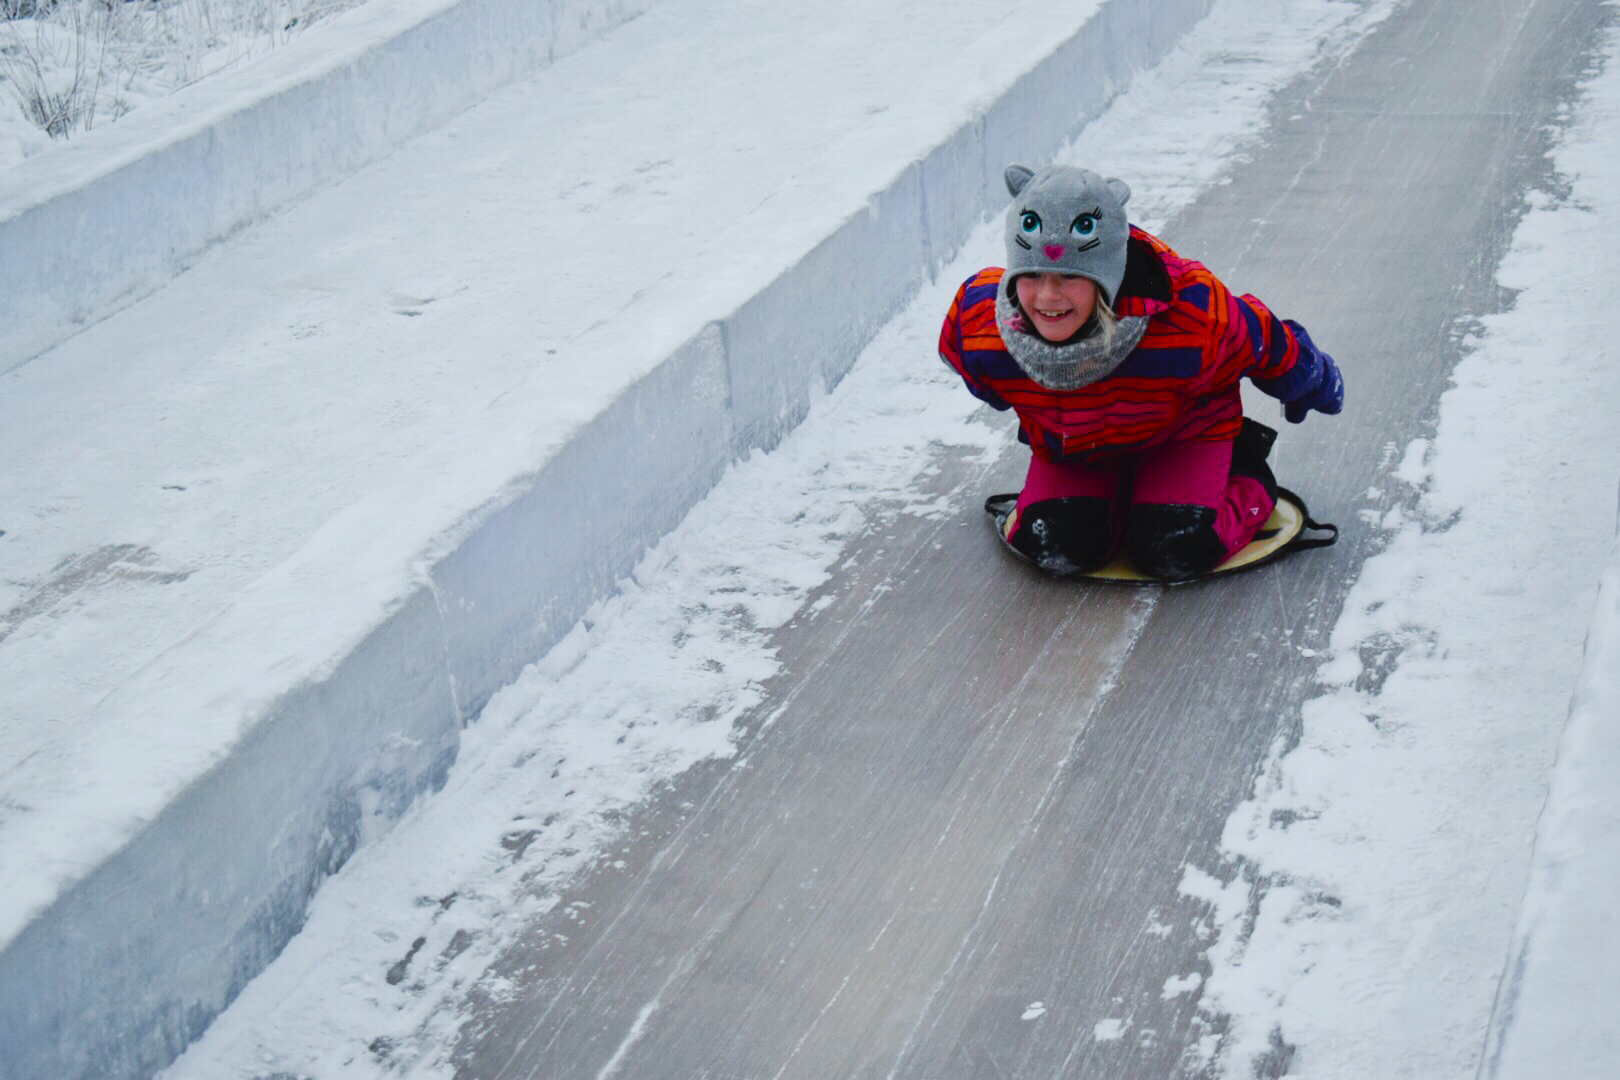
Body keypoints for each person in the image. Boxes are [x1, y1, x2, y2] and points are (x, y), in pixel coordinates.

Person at [938, 164, 1343, 580]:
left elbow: (1267, 341)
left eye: (1071, 277)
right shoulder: (983, 325)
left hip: (1183, 434)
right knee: (1057, 543)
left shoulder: (1191, 316)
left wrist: (1315, 382)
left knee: (1176, 546)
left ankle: (1247, 475)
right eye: (1032, 274)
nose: (1047, 296)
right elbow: (973, 367)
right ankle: (1120, 491)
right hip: (1078, 445)